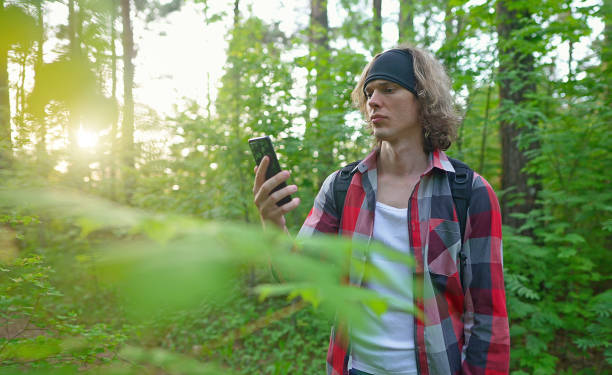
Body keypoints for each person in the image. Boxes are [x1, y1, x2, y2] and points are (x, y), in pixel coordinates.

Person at [253, 46, 509, 375]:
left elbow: (488, 319)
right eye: (369, 92)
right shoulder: (342, 187)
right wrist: (272, 223)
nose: (373, 100)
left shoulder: (469, 192)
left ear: (424, 99)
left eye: (389, 89)